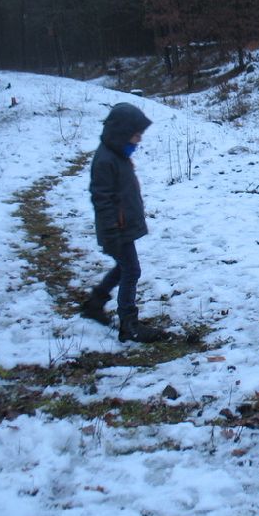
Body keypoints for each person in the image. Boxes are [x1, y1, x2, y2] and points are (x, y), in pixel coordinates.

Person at [80, 102, 168, 343]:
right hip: (116, 231)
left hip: (122, 227)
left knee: (123, 268)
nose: (139, 139)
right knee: (131, 270)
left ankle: (95, 303)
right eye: (136, 134)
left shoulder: (118, 154)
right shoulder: (106, 160)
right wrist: (112, 232)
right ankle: (129, 324)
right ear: (121, 133)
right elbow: (102, 199)